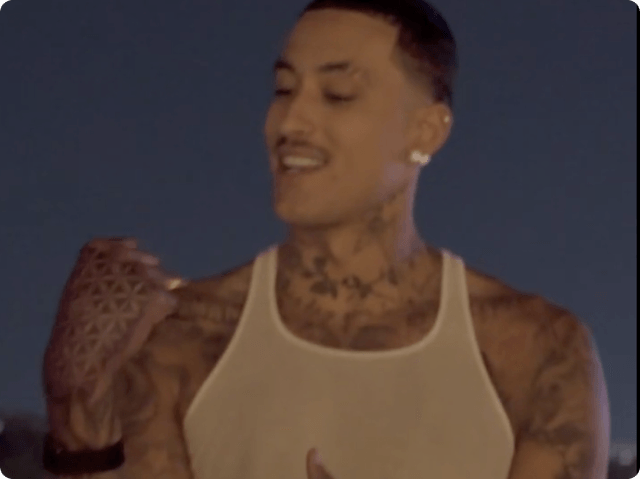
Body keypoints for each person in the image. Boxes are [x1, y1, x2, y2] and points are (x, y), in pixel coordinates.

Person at [41, 0, 612, 478]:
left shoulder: (539, 352)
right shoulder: (182, 339)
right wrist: (79, 423)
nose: (290, 123)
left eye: (337, 94)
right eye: (284, 89)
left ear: (425, 131)